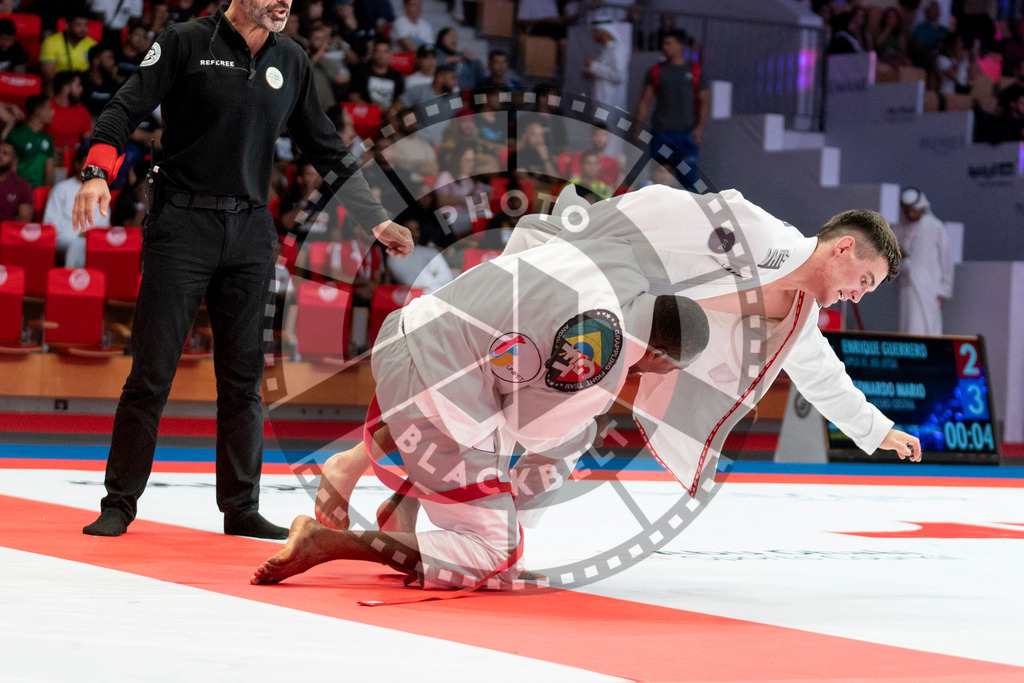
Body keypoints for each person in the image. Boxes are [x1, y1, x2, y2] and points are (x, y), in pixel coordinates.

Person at [260, 184, 924, 591]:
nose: (856, 295)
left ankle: (407, 493)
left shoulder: (798, 317)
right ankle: (457, 522)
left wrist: (875, 428)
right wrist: (583, 238)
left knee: (503, 398)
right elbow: (658, 212)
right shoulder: (752, 232)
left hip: (613, 333)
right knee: (532, 421)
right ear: (841, 249)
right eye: (862, 279)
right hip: (599, 306)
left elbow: (822, 375)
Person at [72, 0, 413, 540]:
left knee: (243, 381)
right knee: (151, 374)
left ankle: (241, 507)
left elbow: (325, 145)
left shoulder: (292, 59)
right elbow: (123, 107)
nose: (285, 3)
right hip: (181, 226)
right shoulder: (186, 41)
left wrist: (374, 220)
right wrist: (97, 172)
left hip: (251, 232)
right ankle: (119, 502)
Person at [253, 230, 712, 589]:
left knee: (511, 402)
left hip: (406, 333)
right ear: (660, 355)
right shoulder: (606, 356)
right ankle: (328, 542)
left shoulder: (616, 259)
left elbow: (538, 228)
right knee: (500, 553)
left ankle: (399, 492)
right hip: (432, 389)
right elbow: (528, 432)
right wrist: (584, 411)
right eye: (657, 370)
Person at [634, 30, 707, 187]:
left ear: (680, 46)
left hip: (686, 134)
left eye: (668, 43)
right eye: (663, 43)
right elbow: (644, 101)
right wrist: (638, 127)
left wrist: (700, 128)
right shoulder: (656, 71)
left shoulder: (695, 70)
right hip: (661, 133)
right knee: (657, 179)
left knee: (688, 179)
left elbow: (704, 101)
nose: (664, 47)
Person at [893, 187, 953, 335]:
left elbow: (946, 259)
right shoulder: (899, 229)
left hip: (929, 288)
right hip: (907, 287)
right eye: (906, 210)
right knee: (907, 328)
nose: (910, 214)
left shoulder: (934, 226)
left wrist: (944, 289)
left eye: (912, 210)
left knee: (925, 329)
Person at [44, 144, 110, 267]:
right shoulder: (61, 189)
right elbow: (50, 223)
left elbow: (104, 224)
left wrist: (90, 235)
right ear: (78, 165)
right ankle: (71, 282)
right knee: (77, 244)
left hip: (92, 239)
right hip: (63, 238)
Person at [39, 9, 98, 95]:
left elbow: (97, 74)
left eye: (85, 25)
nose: (83, 29)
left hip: (85, 86)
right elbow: (48, 77)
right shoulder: (51, 42)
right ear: (67, 25)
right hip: (60, 86)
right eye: (78, 25)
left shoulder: (92, 44)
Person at [6, 95, 56, 189]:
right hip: (19, 191)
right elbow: (10, 169)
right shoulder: (17, 134)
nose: (53, 112)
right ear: (38, 111)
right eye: (49, 108)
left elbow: (49, 171)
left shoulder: (47, 138)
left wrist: (47, 191)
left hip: (39, 192)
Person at [349, 39, 405, 113]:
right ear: (373, 54)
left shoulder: (396, 76)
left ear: (390, 54)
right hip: (367, 113)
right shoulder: (362, 72)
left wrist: (390, 111)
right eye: (378, 51)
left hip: (388, 115)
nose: (381, 55)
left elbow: (401, 101)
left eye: (385, 52)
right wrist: (373, 111)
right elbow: (353, 96)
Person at [46, 71, 94, 159]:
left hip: (77, 160)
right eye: (78, 85)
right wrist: (58, 150)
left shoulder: (82, 110)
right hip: (52, 157)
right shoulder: (47, 108)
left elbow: (87, 139)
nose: (81, 89)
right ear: (66, 88)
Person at [81, 45, 122, 117]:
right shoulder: (81, 82)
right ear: (96, 60)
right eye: (109, 58)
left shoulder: (112, 83)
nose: (113, 62)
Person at [0, 142, 33, 223]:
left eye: (5, 153)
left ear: (14, 160)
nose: (0, 155)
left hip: (7, 233)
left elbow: (25, 219)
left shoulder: (22, 185)